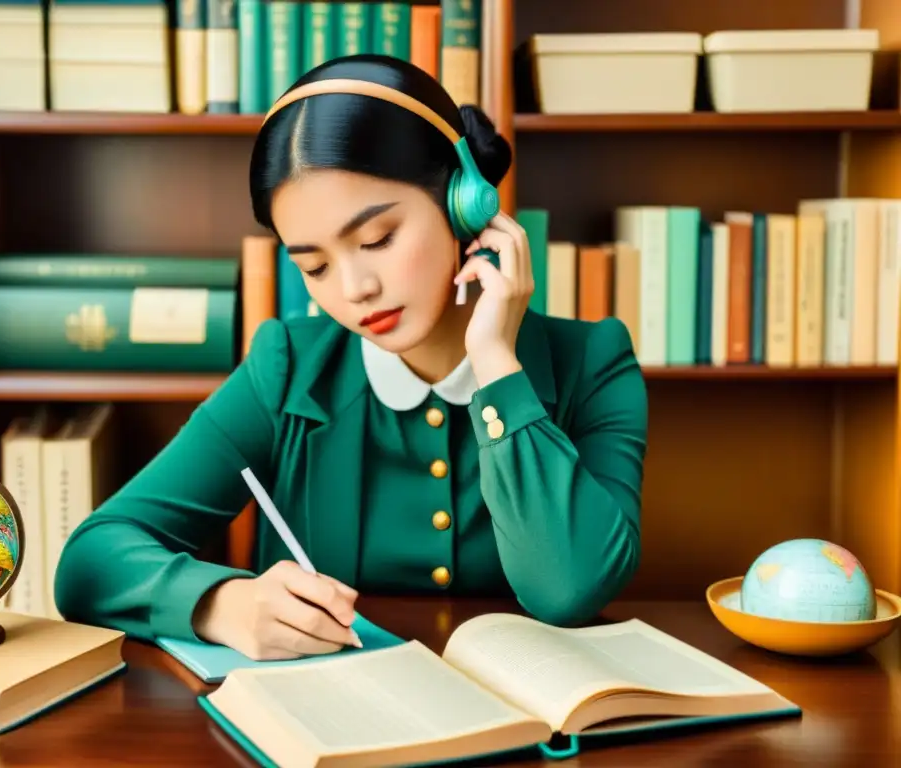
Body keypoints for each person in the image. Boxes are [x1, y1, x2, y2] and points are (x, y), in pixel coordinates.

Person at [54, 54, 648, 662]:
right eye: (314, 266)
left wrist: (497, 366)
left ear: (463, 203)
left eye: (377, 239)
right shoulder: (286, 367)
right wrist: (220, 604)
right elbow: (89, 563)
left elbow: (568, 589)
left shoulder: (595, 364)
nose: (354, 288)